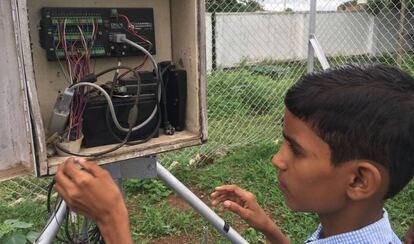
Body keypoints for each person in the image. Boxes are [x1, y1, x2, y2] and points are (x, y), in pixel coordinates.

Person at [55, 64, 414, 244]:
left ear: (359, 180)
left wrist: (112, 219)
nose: (277, 159)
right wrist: (271, 232)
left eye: (296, 149)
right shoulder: (370, 230)